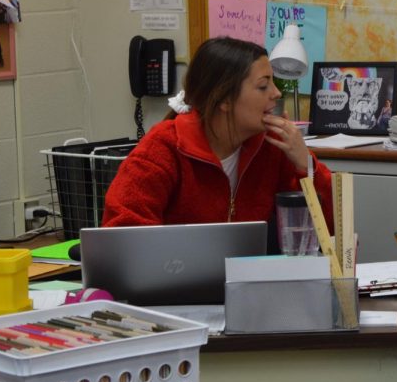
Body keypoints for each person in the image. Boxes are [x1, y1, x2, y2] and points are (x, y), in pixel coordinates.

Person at [102, 37, 335, 239]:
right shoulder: (164, 146)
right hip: (177, 284)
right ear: (224, 100)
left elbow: (330, 231)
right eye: (263, 86)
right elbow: (123, 233)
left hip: (246, 283)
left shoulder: (273, 146)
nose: (276, 93)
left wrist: (305, 164)